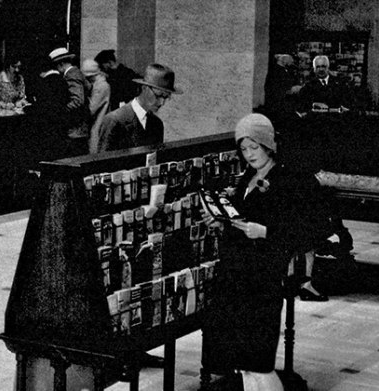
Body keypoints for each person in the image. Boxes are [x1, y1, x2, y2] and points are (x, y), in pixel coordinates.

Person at [201, 113, 331, 390]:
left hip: (263, 278)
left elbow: (309, 230)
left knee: (259, 361)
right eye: (244, 149)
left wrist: (265, 232)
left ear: (268, 145)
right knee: (243, 362)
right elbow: (241, 217)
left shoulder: (289, 180)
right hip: (236, 275)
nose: (249, 154)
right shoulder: (248, 176)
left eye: (254, 147)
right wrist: (221, 221)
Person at [96, 63, 182, 153]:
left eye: (165, 97)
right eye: (158, 95)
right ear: (144, 88)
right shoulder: (114, 120)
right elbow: (104, 163)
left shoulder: (157, 124)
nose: (162, 103)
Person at [49, 47, 90, 157]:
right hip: (82, 127)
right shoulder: (77, 72)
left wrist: (62, 111)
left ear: (61, 63)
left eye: (57, 66)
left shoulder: (71, 75)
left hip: (76, 128)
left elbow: (77, 100)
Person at [81, 59, 110, 154]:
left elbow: (91, 109)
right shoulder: (100, 85)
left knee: (95, 151)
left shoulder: (101, 86)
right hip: (97, 124)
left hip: (98, 125)